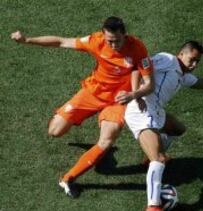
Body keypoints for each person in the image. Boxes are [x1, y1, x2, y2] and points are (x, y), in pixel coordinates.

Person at [10, 16, 154, 198]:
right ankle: (100, 152)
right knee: (54, 131)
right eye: (110, 40)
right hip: (92, 93)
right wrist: (27, 40)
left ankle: (67, 178)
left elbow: (150, 84)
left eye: (118, 40)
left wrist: (133, 95)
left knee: (106, 140)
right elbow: (62, 42)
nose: (114, 44)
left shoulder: (137, 47)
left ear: (125, 34)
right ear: (103, 35)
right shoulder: (96, 41)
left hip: (118, 100)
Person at [124, 41, 203, 211]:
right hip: (141, 112)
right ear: (181, 54)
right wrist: (136, 93)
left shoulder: (183, 76)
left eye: (198, 62)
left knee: (178, 129)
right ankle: (153, 207)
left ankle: (151, 157)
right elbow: (137, 65)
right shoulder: (167, 60)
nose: (194, 65)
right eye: (192, 59)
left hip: (155, 112)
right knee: (159, 160)